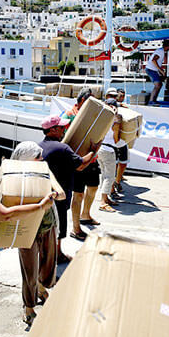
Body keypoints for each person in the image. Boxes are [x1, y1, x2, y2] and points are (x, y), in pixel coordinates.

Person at [11, 141, 66, 326]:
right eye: (37, 157)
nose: (42, 159)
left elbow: (62, 193)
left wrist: (54, 195)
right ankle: (29, 307)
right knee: (29, 269)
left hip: (47, 223)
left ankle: (42, 288)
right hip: (25, 226)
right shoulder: (12, 176)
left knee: (48, 263)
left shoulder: (45, 171)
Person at [39, 115, 98, 262]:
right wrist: (94, 150)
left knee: (45, 225)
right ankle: (57, 254)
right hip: (60, 194)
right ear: (52, 130)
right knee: (59, 226)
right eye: (61, 128)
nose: (64, 130)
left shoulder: (39, 146)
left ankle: (46, 253)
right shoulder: (62, 148)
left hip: (43, 193)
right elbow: (81, 165)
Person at [61, 88, 102, 241]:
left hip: (91, 158)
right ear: (83, 101)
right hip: (77, 161)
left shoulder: (92, 115)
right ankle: (76, 228)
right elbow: (61, 137)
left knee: (93, 187)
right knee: (78, 194)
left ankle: (86, 215)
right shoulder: (69, 115)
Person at [97, 98, 123, 212]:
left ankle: (105, 198)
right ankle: (103, 201)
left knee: (104, 174)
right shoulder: (115, 122)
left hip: (100, 148)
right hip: (109, 150)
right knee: (110, 176)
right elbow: (116, 140)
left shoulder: (101, 119)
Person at [146, 39, 169, 104]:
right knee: (158, 84)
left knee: (159, 84)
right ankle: (151, 101)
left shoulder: (161, 51)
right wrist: (160, 70)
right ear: (167, 46)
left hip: (153, 70)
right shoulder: (160, 51)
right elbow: (154, 60)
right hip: (151, 69)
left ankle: (154, 100)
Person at [114, 88, 129, 193]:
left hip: (122, 141)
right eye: (120, 95)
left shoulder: (126, 108)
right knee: (113, 164)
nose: (122, 97)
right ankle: (114, 184)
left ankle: (118, 180)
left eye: (123, 95)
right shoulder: (111, 107)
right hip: (113, 143)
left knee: (123, 163)